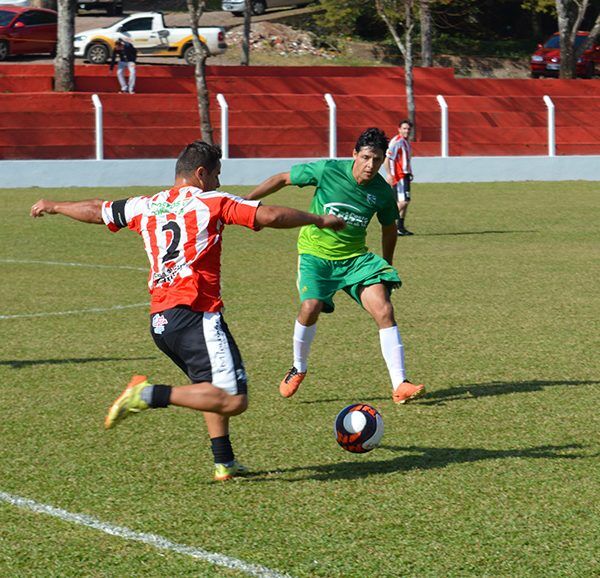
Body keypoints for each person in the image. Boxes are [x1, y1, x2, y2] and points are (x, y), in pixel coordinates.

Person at [30, 141, 345, 481]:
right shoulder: (213, 201)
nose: (219, 184)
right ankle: (146, 394)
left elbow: (97, 209)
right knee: (233, 398)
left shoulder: (146, 205)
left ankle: (223, 460)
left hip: (162, 322)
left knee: (208, 386)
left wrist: (55, 205)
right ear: (200, 174)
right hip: (196, 311)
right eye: (216, 176)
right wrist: (319, 220)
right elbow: (268, 215)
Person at [245, 127, 425, 405]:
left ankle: (399, 383)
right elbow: (282, 178)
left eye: (377, 160)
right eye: (365, 157)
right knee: (310, 306)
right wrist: (244, 204)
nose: (370, 165)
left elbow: (389, 228)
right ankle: (298, 367)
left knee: (384, 308)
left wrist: (385, 266)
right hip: (315, 255)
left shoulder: (382, 192)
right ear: (354, 154)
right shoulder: (328, 170)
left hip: (356, 260)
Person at [384, 119, 414, 236]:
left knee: (405, 201)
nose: (406, 131)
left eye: (408, 129)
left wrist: (409, 172)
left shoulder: (405, 142)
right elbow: (387, 159)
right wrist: (389, 174)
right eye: (404, 128)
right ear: (399, 129)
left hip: (404, 175)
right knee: (403, 202)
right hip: (399, 176)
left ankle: (400, 228)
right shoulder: (396, 142)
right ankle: (388, 223)